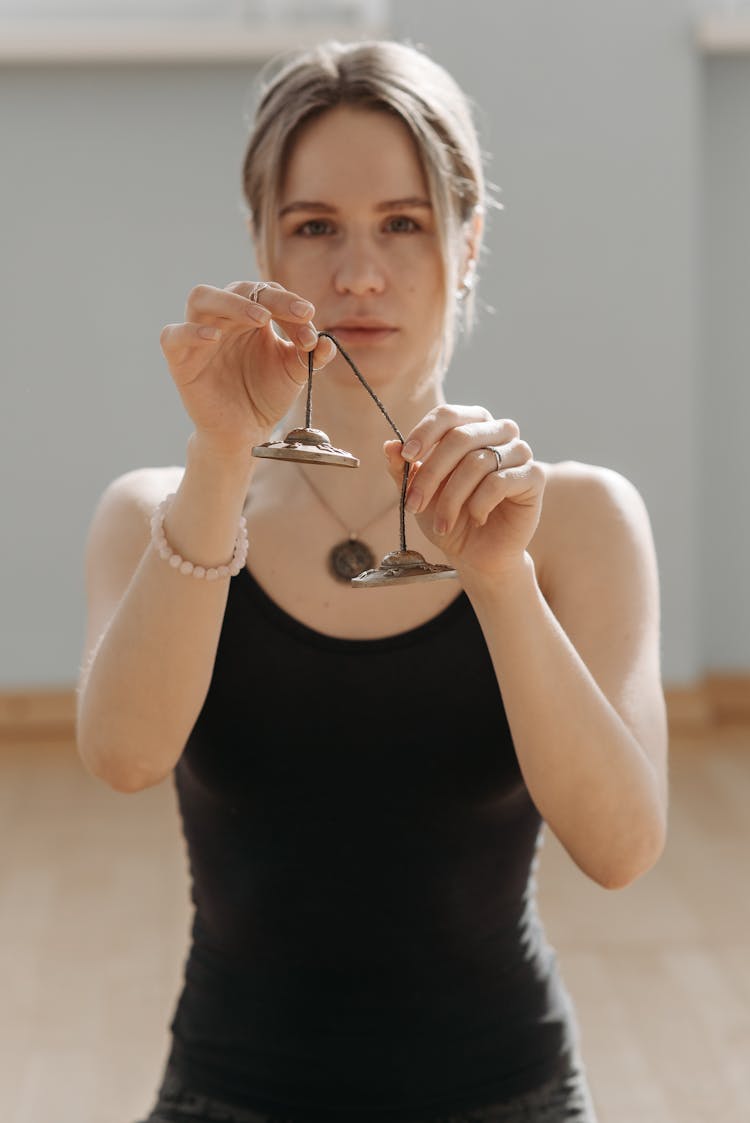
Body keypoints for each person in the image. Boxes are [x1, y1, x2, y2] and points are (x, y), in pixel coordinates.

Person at [76, 39, 668, 1123]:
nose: (359, 273)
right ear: (261, 244)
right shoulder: (155, 510)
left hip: (508, 1096)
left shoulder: (577, 519)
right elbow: (123, 755)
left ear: (469, 241)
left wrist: (498, 577)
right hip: (225, 1093)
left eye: (404, 222)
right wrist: (221, 455)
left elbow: (621, 848)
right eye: (315, 228)